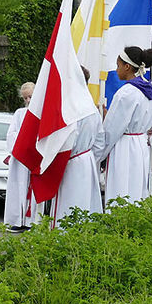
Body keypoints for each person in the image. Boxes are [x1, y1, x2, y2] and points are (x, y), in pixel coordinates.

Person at [94, 46, 152, 207]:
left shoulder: (126, 93)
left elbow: (112, 129)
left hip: (124, 147)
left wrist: (98, 154)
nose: (116, 70)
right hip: (141, 145)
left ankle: (118, 225)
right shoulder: (149, 90)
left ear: (127, 67)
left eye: (118, 65)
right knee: (137, 189)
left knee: (121, 189)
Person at [52, 67, 104, 226]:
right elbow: (100, 141)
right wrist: (88, 156)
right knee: (84, 202)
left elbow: (68, 139)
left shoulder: (71, 108)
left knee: (69, 202)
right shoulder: (92, 107)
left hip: (71, 161)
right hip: (86, 159)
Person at [3, 81, 36, 232]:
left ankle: (32, 222)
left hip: (35, 159)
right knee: (18, 189)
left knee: (33, 191)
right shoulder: (19, 113)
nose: (28, 101)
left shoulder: (42, 114)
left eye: (31, 96)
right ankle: (18, 220)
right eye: (25, 98)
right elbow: (11, 134)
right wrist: (23, 142)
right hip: (20, 159)